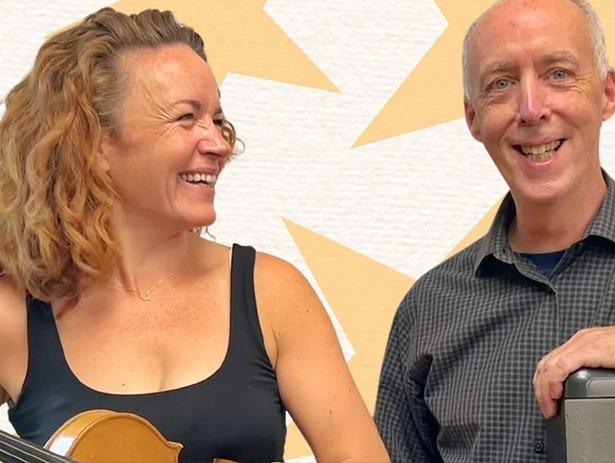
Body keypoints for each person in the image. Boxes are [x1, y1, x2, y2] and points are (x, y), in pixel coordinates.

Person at [0, 7, 389, 463]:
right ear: (96, 143)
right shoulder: (15, 313)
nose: (219, 143)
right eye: (187, 118)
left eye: (216, 118)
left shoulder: (271, 294)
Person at [375, 0, 615, 461]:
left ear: (607, 93)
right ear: (473, 118)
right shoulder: (427, 311)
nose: (531, 108)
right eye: (501, 84)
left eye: (558, 73)